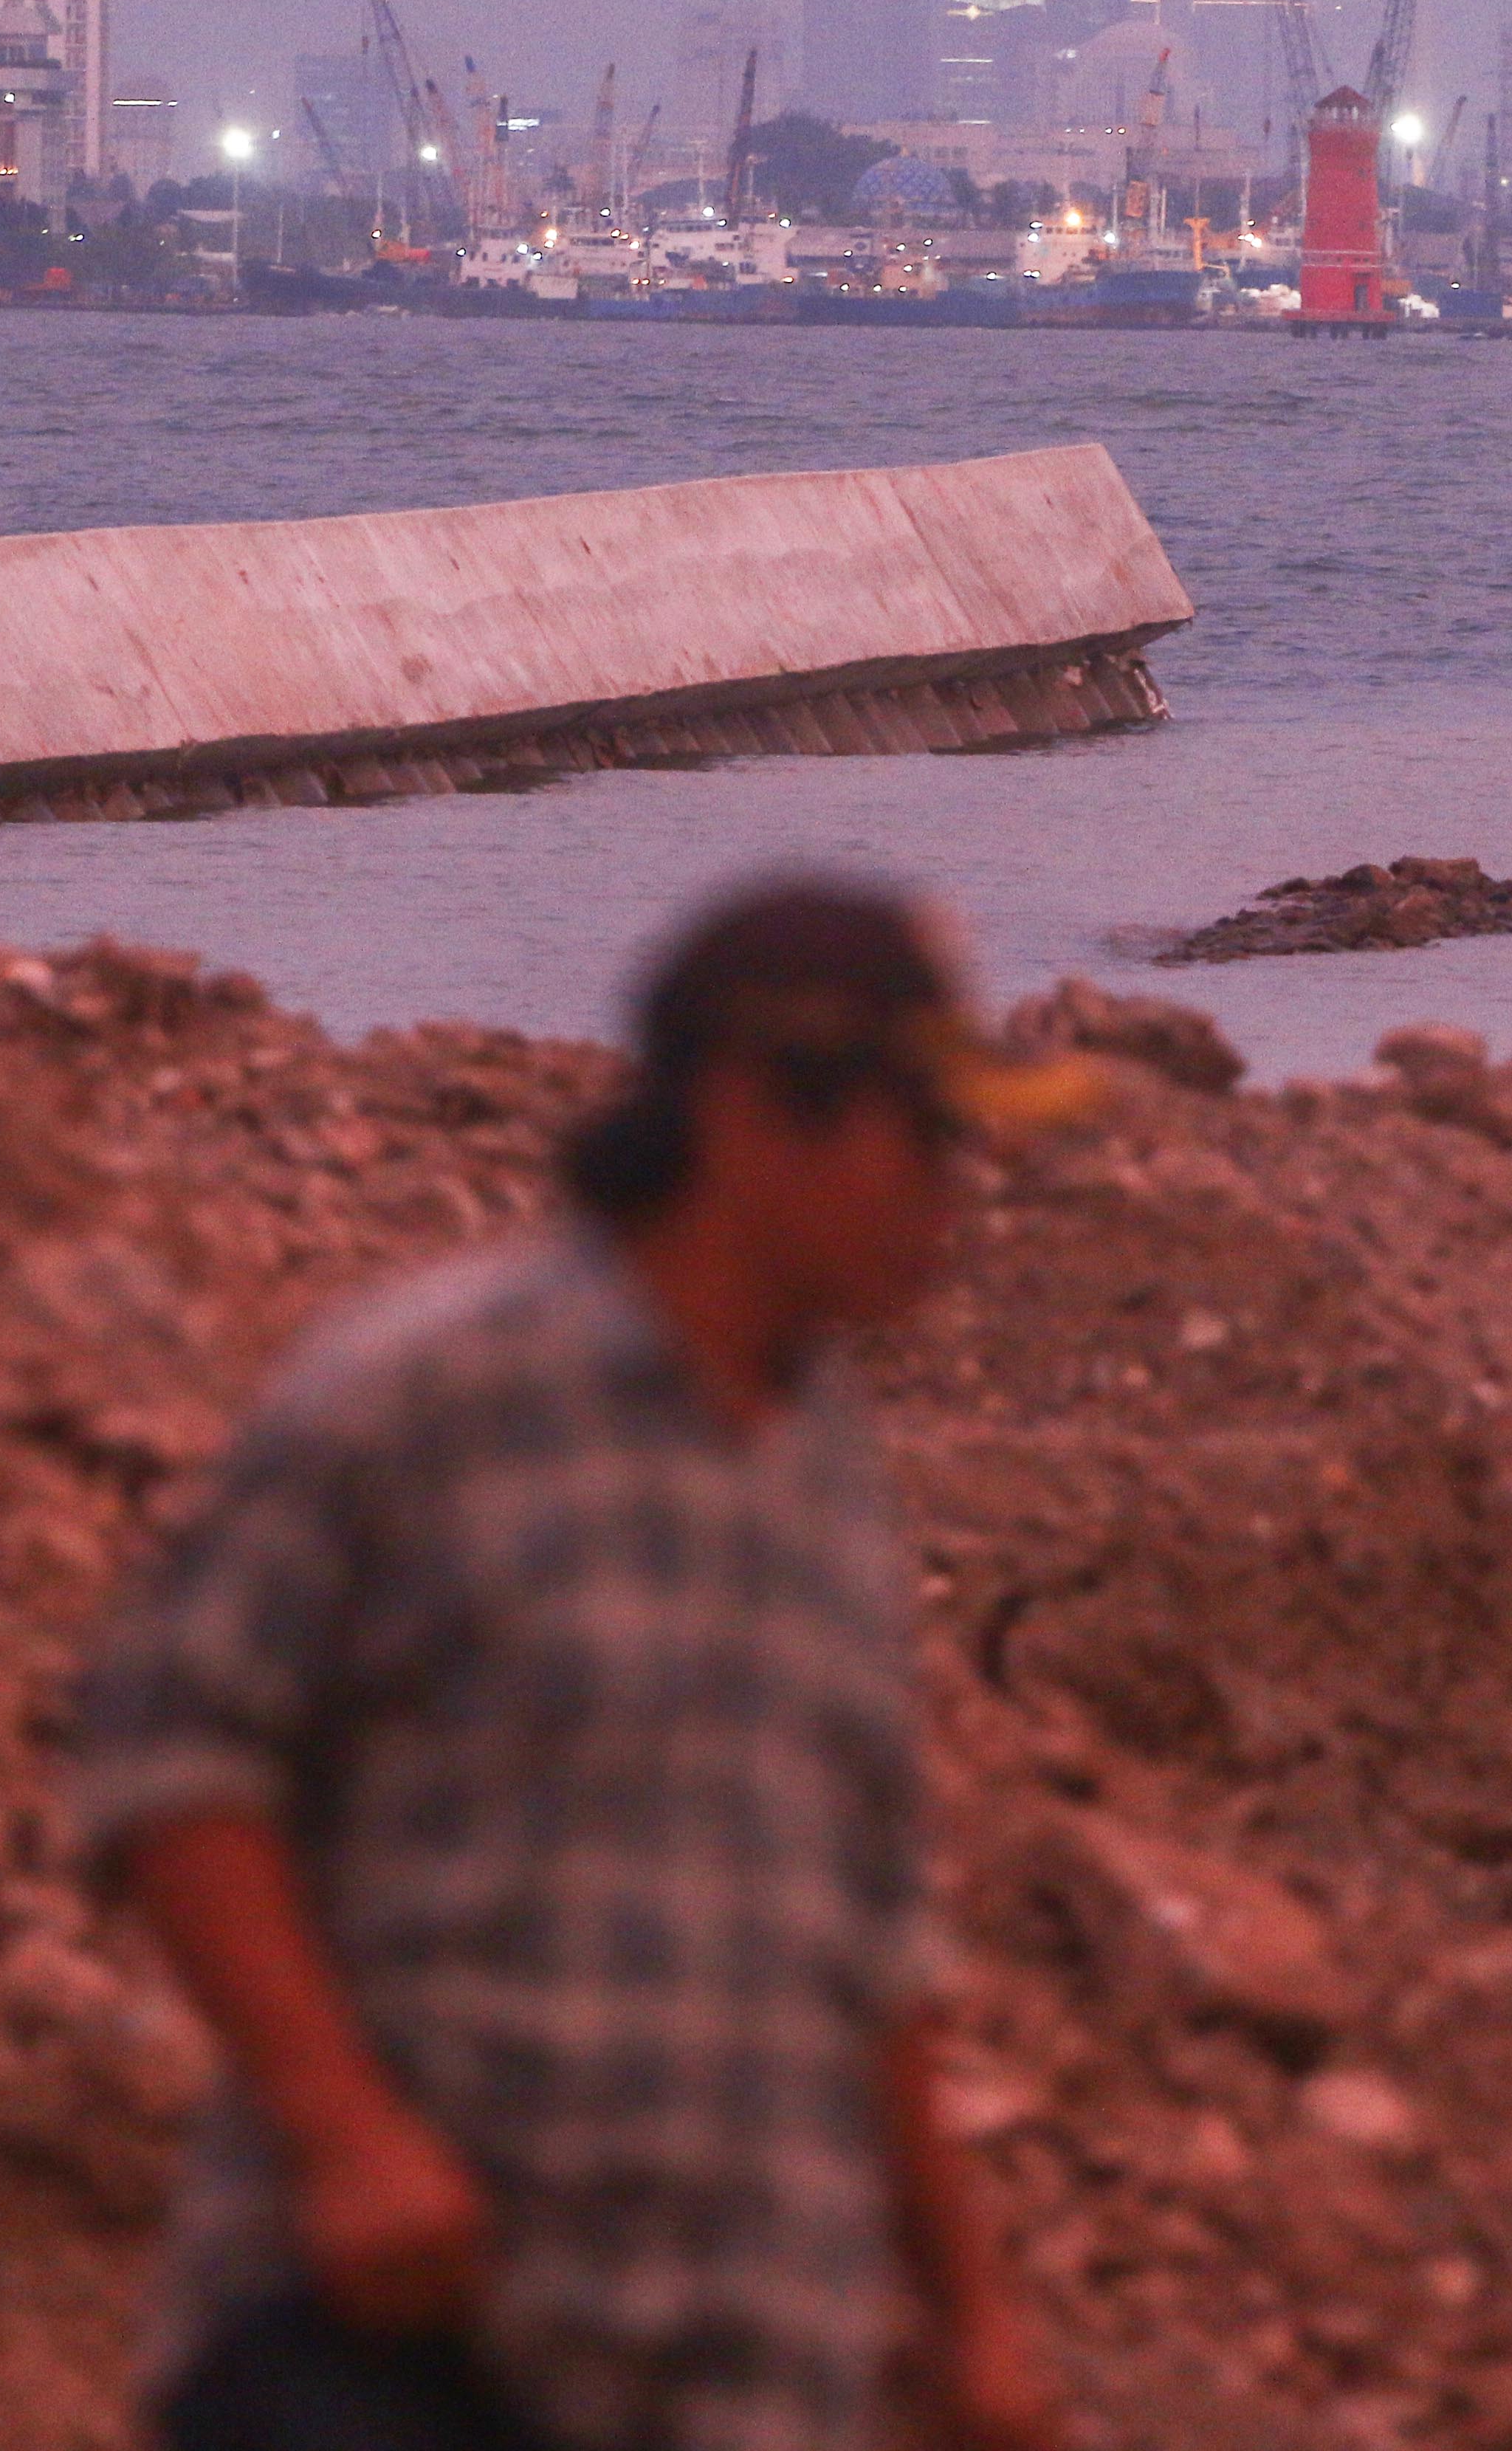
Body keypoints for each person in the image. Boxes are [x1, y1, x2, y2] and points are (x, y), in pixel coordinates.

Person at [73, 881, 1091, 2451]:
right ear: (755, 1111)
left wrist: (969, 2317)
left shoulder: (826, 1476)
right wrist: (347, 2139)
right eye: (931, 1141)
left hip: (729, 2379)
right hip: (406, 2357)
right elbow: (177, 1760)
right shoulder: (425, 1397)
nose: (960, 1199)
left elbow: (872, 1935)